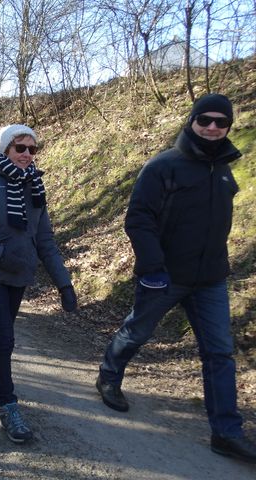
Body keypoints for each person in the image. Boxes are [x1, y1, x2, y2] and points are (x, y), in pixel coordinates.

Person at [96, 94, 256, 463]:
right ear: (192, 121)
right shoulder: (164, 166)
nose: (213, 128)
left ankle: (226, 432)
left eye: (221, 122)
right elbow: (138, 219)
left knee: (219, 353)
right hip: (165, 276)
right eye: (206, 120)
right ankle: (109, 376)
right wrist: (153, 268)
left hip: (211, 278)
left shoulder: (226, 167)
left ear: (229, 125)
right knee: (137, 331)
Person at [0, 124, 77, 444]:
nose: (26, 155)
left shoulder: (35, 188)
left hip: (20, 275)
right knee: (5, 338)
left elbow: (45, 240)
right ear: (5, 149)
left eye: (32, 149)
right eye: (20, 148)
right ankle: (8, 407)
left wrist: (64, 284)